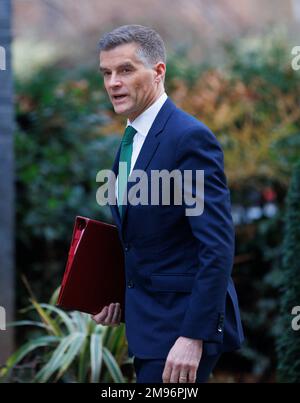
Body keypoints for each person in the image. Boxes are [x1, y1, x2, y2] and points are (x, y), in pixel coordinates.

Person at [92, 24, 244, 383]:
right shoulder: (131, 140)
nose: (113, 82)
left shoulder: (188, 138)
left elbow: (217, 245)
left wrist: (194, 336)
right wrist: (116, 295)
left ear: (159, 72)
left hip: (179, 333)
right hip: (149, 328)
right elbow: (145, 239)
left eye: (126, 70)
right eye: (107, 73)